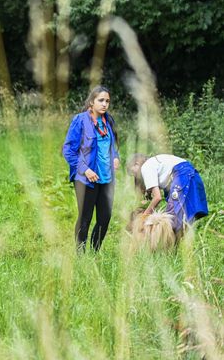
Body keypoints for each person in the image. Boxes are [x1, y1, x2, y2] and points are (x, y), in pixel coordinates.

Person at [62, 85, 120, 252]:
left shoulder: (108, 120)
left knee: (105, 218)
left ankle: (95, 254)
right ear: (92, 101)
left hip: (107, 178)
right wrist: (85, 169)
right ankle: (80, 255)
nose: (104, 104)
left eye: (107, 101)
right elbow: (68, 150)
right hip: (86, 179)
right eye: (101, 100)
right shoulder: (80, 120)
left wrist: (115, 157)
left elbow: (110, 145)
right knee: (85, 218)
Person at [127, 153, 208, 232]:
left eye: (132, 172)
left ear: (136, 164)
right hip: (188, 173)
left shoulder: (146, 167)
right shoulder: (153, 163)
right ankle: (177, 244)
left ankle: (168, 244)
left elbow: (157, 198)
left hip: (182, 174)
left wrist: (143, 217)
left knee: (170, 220)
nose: (134, 175)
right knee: (181, 219)